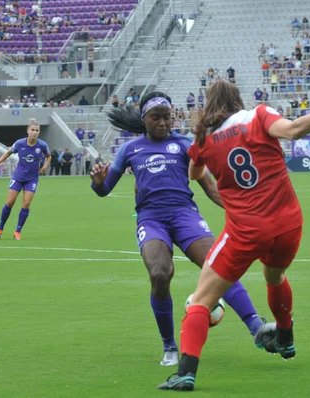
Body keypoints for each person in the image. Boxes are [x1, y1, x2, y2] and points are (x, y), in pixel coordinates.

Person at [158, 80, 310, 391]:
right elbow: (292, 131)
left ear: (209, 104)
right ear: (236, 99)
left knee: (200, 300)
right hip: (287, 224)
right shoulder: (258, 116)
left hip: (245, 230)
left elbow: (194, 174)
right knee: (275, 276)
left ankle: (185, 372)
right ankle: (286, 338)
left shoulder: (204, 140)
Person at [89, 91, 275, 367]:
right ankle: (169, 346)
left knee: (220, 266)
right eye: (157, 118)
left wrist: (242, 209)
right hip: (151, 219)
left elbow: (210, 186)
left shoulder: (187, 145)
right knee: (160, 273)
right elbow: (104, 190)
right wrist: (98, 182)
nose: (163, 123)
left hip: (184, 215)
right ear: (145, 119)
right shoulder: (130, 150)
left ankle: (255, 327)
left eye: (168, 117)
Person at [0, 119, 50, 240]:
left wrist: (45, 166)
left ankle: (17, 231)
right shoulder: (19, 143)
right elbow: (8, 153)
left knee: (26, 203)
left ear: (39, 132)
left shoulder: (42, 145)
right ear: (28, 131)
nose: (34, 132)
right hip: (18, 177)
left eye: (37, 130)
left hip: (32, 179)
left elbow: (49, 156)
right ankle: (0, 229)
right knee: (10, 202)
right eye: (32, 130)